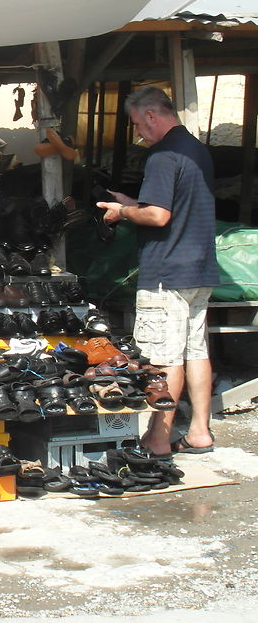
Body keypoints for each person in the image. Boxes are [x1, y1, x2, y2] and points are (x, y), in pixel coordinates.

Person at [97, 86, 218, 457]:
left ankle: (159, 438)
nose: (137, 133)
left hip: (167, 271)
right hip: (198, 269)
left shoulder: (163, 155)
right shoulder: (195, 149)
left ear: (151, 115)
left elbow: (158, 215)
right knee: (195, 351)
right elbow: (172, 207)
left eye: (136, 123)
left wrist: (123, 212)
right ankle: (199, 432)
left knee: (164, 358)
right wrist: (137, 203)